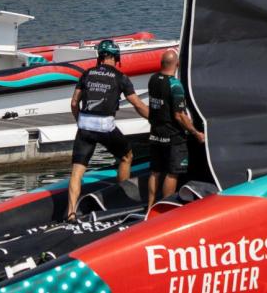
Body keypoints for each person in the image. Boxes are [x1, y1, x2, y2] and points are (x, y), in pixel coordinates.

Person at [66, 40, 149, 221]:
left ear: (100, 57)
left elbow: (74, 103)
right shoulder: (120, 77)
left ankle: (71, 212)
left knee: (77, 171)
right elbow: (137, 104)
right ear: (116, 57)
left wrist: (79, 120)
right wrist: (155, 119)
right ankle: (121, 199)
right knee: (126, 156)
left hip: (85, 126)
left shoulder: (87, 74)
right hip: (105, 126)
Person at [146, 49, 204, 215]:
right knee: (172, 173)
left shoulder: (153, 79)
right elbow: (179, 115)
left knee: (155, 171)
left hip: (156, 132)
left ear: (161, 64)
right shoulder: (175, 85)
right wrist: (196, 132)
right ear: (177, 64)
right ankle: (165, 210)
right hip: (173, 135)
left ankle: (150, 206)